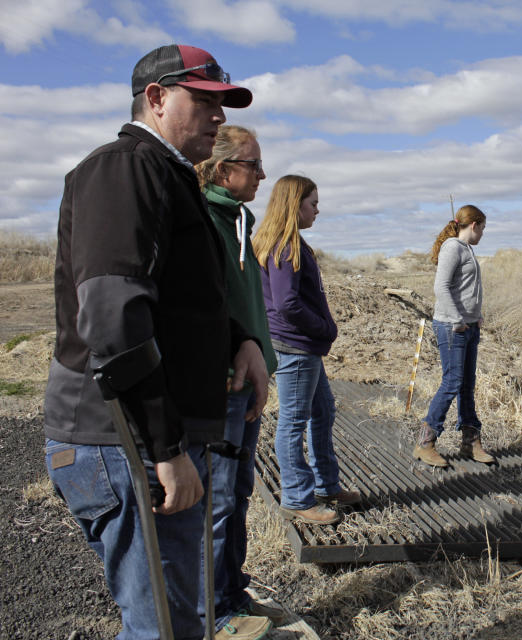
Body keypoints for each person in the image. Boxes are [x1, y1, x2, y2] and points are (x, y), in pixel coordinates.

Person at [43, 45, 271, 640]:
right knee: (162, 630)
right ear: (157, 97)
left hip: (148, 441)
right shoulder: (124, 169)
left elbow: (178, 301)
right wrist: (164, 449)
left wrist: (239, 340)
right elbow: (115, 321)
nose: (219, 117)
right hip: (123, 441)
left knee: (179, 621)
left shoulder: (168, 176)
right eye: (206, 102)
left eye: (224, 105)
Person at [195, 126, 285, 633]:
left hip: (248, 380)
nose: (262, 174)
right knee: (219, 499)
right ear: (223, 168)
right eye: (253, 165)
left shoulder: (239, 218)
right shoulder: (201, 219)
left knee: (239, 491)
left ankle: (233, 592)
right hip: (222, 385)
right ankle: (215, 611)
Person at [252, 175, 361, 525]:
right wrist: (325, 327)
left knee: (323, 411)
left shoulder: (287, 242)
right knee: (294, 421)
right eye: (312, 203)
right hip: (296, 348)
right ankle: (298, 497)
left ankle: (327, 486)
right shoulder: (286, 246)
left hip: (302, 347)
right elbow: (286, 304)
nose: (317, 209)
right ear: (294, 204)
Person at [414, 205, 496, 468]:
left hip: (469, 326)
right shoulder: (452, 247)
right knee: (452, 383)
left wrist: (475, 315)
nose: (483, 233)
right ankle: (425, 443)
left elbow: (467, 289)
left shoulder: (467, 250)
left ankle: (470, 442)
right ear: (474, 225)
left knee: (466, 385)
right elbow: (441, 287)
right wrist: (459, 320)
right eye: (482, 228)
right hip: (452, 327)